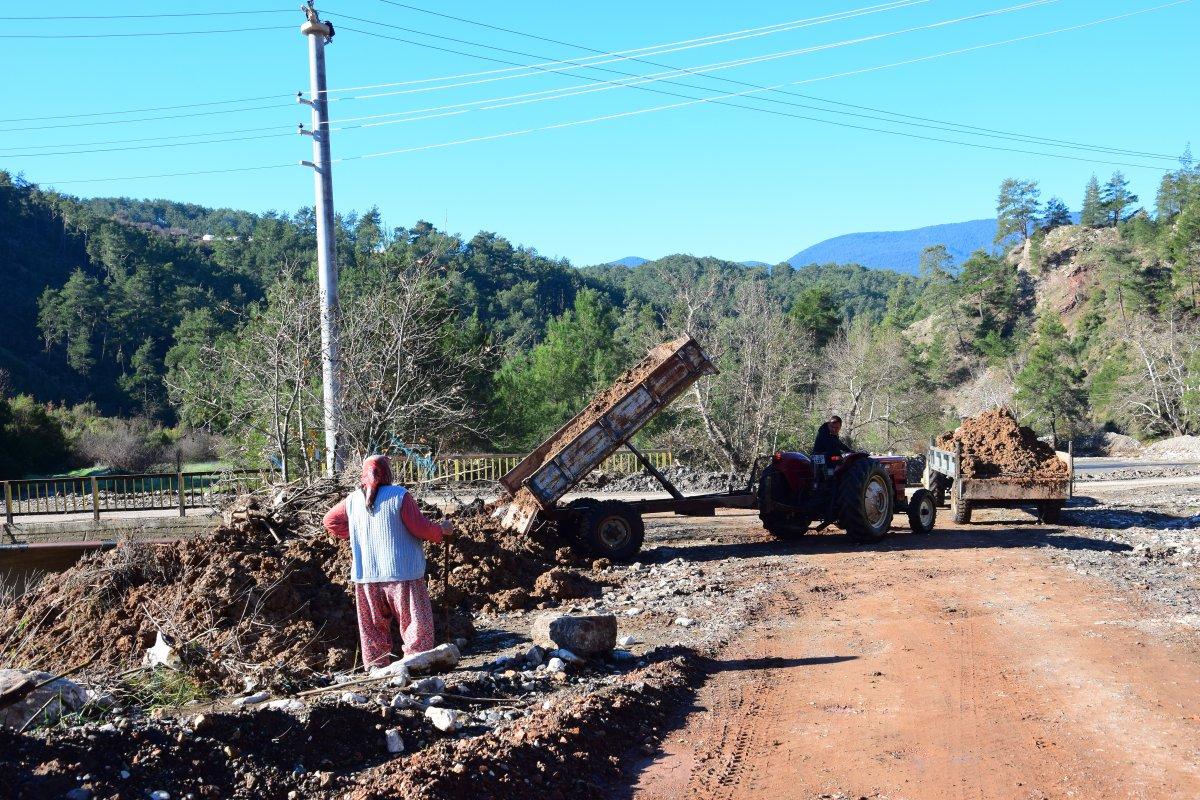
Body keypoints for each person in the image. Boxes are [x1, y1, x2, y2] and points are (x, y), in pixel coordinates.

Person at [322, 455, 453, 669]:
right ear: (387, 472)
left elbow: (330, 521)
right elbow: (419, 527)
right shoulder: (399, 496)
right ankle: (416, 662)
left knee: (372, 626)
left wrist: (356, 533)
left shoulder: (353, 499)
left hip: (367, 577)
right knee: (414, 622)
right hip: (402, 573)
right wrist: (442, 530)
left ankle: (376, 666)